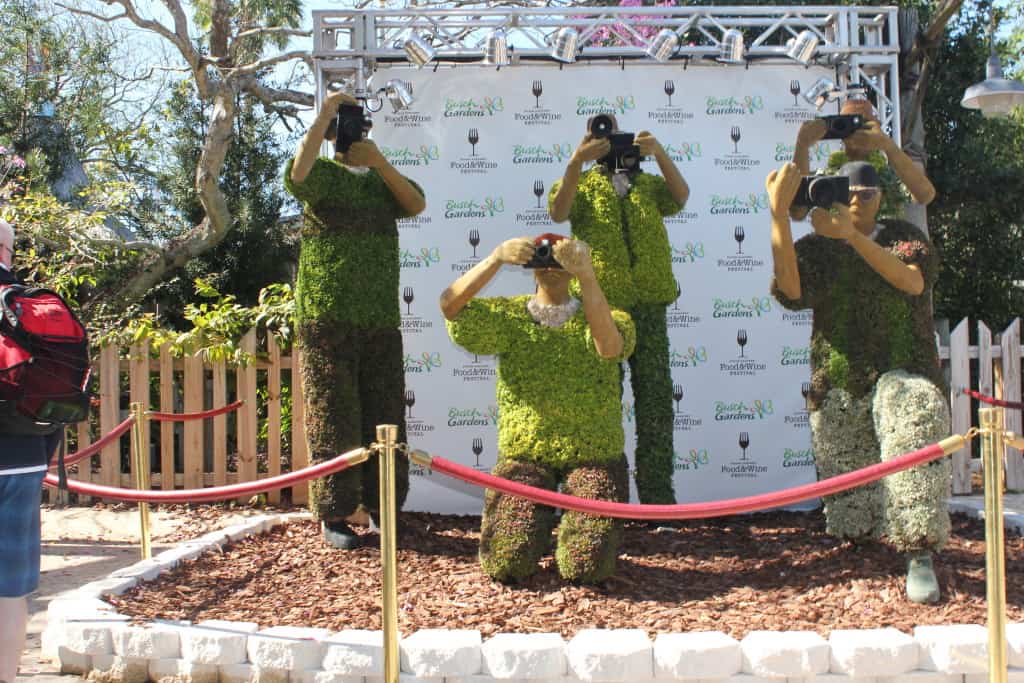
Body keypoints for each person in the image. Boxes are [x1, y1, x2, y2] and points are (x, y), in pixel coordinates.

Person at [767, 160, 950, 604]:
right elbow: (791, 292)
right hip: (842, 377)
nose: (855, 200)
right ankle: (860, 544)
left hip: (903, 367)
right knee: (851, 502)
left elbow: (910, 281)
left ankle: (918, 552)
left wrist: (851, 238)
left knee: (913, 418)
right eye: (845, 192)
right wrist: (777, 218)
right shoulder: (816, 247)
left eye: (865, 193)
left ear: (881, 198)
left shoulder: (905, 239)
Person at [441, 234, 635, 583]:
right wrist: (496, 258)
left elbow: (609, 347)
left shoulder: (609, 315)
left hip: (594, 453)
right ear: (530, 267)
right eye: (543, 257)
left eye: (560, 259)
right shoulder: (510, 316)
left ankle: (566, 536)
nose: (552, 266)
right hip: (526, 456)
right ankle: (536, 532)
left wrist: (587, 274)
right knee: (507, 563)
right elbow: (450, 306)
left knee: (586, 567)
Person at [285, 90, 426, 549]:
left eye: (355, 128)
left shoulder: (383, 184)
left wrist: (379, 161)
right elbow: (297, 175)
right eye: (342, 131)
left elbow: (416, 203)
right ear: (330, 137)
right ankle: (335, 514)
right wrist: (324, 113)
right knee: (334, 416)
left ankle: (384, 511)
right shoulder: (322, 175)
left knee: (386, 416)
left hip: (381, 318)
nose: (350, 137)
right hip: (327, 318)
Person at [548, 116, 689, 505]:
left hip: (649, 305)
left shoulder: (647, 185)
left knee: (656, 400)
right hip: (601, 308)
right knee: (603, 401)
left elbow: (680, 197)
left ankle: (659, 499)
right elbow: (559, 212)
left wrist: (659, 154)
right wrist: (576, 162)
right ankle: (605, 499)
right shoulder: (584, 184)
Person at [0, 218, 62, 683]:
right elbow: (62, 390)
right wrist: (40, 451)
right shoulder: (34, 307)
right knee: (9, 592)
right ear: (8, 249)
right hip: (22, 459)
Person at [792, 97, 935, 218]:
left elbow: (925, 195)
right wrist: (802, 146)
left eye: (861, 124)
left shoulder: (889, 173)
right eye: (845, 124)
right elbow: (797, 212)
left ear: (875, 128)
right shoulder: (828, 174)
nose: (854, 131)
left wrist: (888, 146)